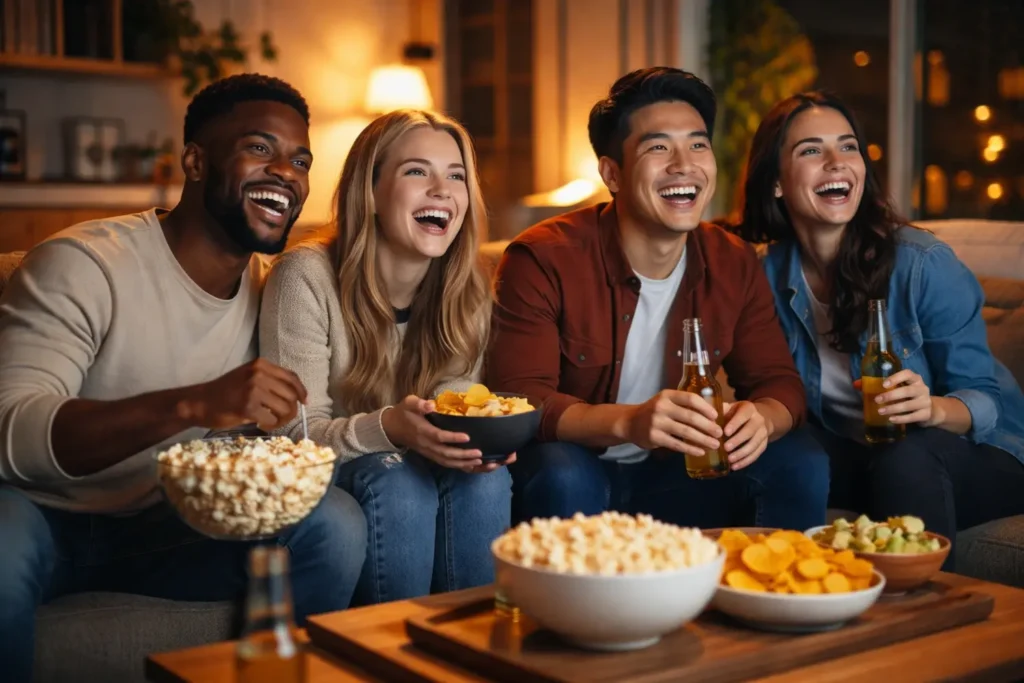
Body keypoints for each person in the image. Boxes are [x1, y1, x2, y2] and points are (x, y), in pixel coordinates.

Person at [0, 74, 367, 681]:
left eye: (301, 159)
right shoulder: (85, 264)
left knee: (335, 524)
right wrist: (195, 403)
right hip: (40, 515)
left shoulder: (278, 292)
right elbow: (10, 431)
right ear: (195, 161)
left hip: (170, 528)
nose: (287, 172)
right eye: (260, 148)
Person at [486, 67, 829, 531]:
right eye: (658, 147)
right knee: (562, 469)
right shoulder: (543, 258)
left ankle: (773, 597)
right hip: (577, 474)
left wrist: (763, 418)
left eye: (697, 144)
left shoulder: (732, 260)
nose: (684, 164)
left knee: (798, 455)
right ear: (612, 173)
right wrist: (630, 423)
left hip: (677, 477)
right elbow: (521, 399)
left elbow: (779, 381)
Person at [734, 90, 1024, 567]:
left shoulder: (922, 264)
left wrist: (929, 408)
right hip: (860, 450)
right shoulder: (764, 275)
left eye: (848, 147)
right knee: (780, 453)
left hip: (979, 454)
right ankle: (782, 594)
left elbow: (985, 401)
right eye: (811, 150)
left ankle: (924, 619)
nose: (836, 162)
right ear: (776, 183)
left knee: (904, 456)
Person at [260, 109, 511, 605]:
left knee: (485, 479)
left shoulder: (469, 291)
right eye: (417, 171)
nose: (442, 190)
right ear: (370, 192)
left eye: (456, 176)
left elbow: (456, 406)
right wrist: (391, 428)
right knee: (397, 482)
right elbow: (293, 438)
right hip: (333, 478)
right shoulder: (304, 278)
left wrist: (474, 441)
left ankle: (479, 657)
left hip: (411, 468)